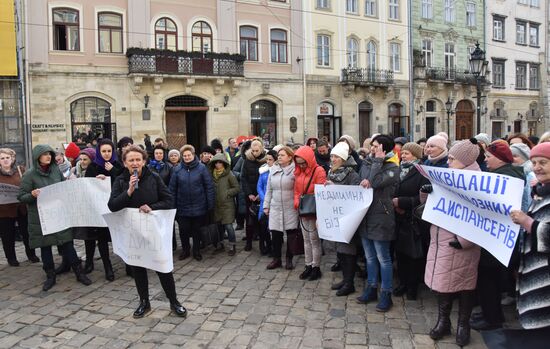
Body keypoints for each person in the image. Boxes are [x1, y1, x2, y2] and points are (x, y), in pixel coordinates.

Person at [107, 145, 187, 318]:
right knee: (138, 268)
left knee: (162, 267)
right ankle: (144, 302)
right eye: (131, 160)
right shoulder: (121, 180)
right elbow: (112, 206)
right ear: (125, 163)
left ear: (144, 161)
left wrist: (152, 207)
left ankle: (174, 301)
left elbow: (169, 200)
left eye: (138, 160)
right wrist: (128, 192)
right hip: (133, 232)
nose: (135, 163)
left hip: (153, 231)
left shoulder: (154, 177)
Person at [420, 138, 482, 346]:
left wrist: (465, 241)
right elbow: (432, 206)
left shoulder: (477, 182)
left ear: (464, 161)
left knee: (464, 285)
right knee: (442, 283)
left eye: (453, 159)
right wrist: (427, 192)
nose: (449, 161)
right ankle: (443, 321)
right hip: (440, 237)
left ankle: (463, 324)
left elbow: (480, 217)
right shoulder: (448, 176)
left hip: (462, 243)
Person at [18, 144, 91, 291]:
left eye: (50, 154)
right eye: (45, 154)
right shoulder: (30, 175)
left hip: (58, 214)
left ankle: (79, 272)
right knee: (46, 247)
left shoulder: (55, 170)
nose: (48, 157)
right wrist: (32, 195)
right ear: (38, 157)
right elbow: (21, 196)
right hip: (41, 217)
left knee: (67, 244)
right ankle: (50, 276)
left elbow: (62, 186)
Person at [471, 142, 524, 331]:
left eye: (488, 157)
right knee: (489, 279)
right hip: (495, 238)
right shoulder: (507, 174)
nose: (485, 160)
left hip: (496, 239)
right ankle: (490, 312)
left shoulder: (503, 178)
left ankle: (492, 318)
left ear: (500, 159)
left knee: (488, 279)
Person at [356, 135, 400, 312]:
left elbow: (374, 182)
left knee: (383, 258)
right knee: (370, 257)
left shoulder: (392, 167)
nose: (372, 149)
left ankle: (386, 293)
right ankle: (371, 287)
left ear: (384, 148)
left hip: (381, 216)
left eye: (376, 146)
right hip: (366, 215)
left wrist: (378, 162)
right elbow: (362, 182)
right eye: (372, 146)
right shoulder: (367, 163)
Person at [510, 142, 550, 330]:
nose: (537, 168)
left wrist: (528, 223)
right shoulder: (540, 193)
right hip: (534, 268)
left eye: (543, 162)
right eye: (534, 163)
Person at [392, 142, 428, 300]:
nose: (403, 155)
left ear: (415, 155)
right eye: (403, 153)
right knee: (400, 253)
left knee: (413, 254)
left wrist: (403, 202)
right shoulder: (399, 169)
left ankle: (412, 286)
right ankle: (402, 282)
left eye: (407, 153)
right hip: (398, 217)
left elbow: (422, 198)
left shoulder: (422, 172)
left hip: (413, 218)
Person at [82, 139, 123, 280]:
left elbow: (123, 180)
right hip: (97, 208)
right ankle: (107, 266)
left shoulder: (117, 165)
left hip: (114, 207)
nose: (106, 154)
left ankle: (129, 263)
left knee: (116, 235)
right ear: (99, 152)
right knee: (101, 237)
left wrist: (112, 172)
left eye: (109, 151)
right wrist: (96, 180)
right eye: (103, 151)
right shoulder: (93, 166)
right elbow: (87, 186)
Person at [326, 142, 361, 296]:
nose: (333, 159)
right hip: (335, 216)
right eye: (332, 156)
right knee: (340, 251)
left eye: (336, 157)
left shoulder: (352, 174)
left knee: (348, 252)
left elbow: (354, 195)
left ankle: (349, 283)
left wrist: (335, 188)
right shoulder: (331, 172)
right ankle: (345, 279)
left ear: (343, 159)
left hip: (347, 218)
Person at [170, 145, 215, 261]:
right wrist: (172, 206)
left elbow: (208, 186)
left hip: (199, 205)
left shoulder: (202, 168)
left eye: (188, 155)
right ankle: (185, 250)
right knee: (183, 230)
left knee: (196, 230)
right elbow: (172, 189)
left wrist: (210, 204)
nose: (187, 157)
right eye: (184, 156)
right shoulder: (177, 170)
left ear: (193, 154)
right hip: (182, 207)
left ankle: (196, 251)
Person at [0, 148, 39, 266]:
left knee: (27, 233)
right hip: (4, 210)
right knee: (7, 235)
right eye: (2, 158)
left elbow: (29, 184)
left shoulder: (20, 170)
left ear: (12, 159)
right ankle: (11, 258)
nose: (5, 160)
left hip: (22, 208)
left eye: (8, 158)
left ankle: (31, 254)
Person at [264, 147, 299, 270]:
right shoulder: (273, 170)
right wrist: (266, 205)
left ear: (290, 157)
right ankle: (276, 259)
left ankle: (289, 259)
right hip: (275, 206)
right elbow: (269, 190)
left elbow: (298, 189)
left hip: (290, 207)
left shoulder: (295, 170)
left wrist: (297, 203)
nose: (279, 157)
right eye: (278, 155)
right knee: (276, 234)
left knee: (291, 234)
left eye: (282, 155)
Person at [294, 146, 326, 276]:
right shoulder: (298, 171)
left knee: (314, 240)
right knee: (305, 239)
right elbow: (296, 191)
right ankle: (308, 265)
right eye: (299, 163)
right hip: (303, 209)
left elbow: (321, 192)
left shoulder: (319, 171)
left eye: (303, 163)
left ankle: (316, 267)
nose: (301, 166)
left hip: (313, 210)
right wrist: (297, 202)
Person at [208, 153, 240, 256]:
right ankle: (220, 245)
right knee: (218, 227)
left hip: (227, 205)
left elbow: (236, 187)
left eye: (220, 162)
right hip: (216, 205)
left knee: (228, 226)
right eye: (216, 162)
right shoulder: (211, 174)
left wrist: (227, 193)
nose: (218, 164)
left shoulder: (229, 174)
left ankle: (232, 245)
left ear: (224, 163)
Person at [240, 139, 267, 251]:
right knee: (249, 220)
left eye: (257, 150)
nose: (255, 153)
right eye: (253, 150)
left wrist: (261, 194)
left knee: (262, 220)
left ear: (261, 149)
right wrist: (249, 193)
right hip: (250, 195)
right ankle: (249, 242)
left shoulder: (265, 160)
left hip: (262, 195)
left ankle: (262, 243)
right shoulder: (247, 160)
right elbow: (243, 178)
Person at [257, 150, 277, 256]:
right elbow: (259, 186)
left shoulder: (277, 171)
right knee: (263, 225)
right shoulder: (263, 171)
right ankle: (266, 246)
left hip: (274, 202)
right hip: (264, 203)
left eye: (270, 159)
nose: (268, 161)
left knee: (273, 228)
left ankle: (274, 248)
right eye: (267, 159)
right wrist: (264, 198)